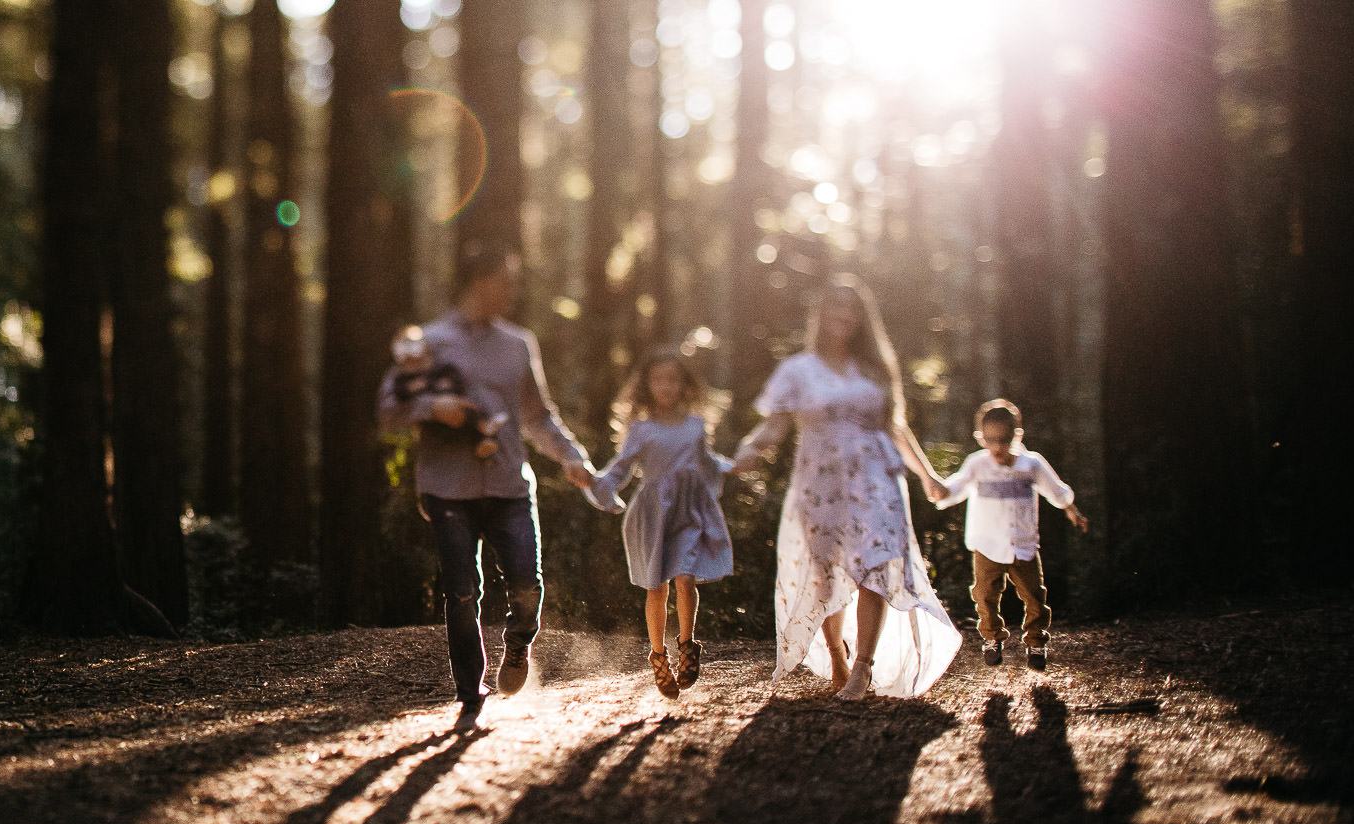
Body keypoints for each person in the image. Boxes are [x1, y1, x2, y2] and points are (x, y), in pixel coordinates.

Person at [378, 244, 596, 730]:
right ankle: (470, 693)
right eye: (508, 280)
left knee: (526, 581)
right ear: (481, 282)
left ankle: (518, 643)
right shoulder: (428, 341)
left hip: (509, 482)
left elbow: (539, 416)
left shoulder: (519, 343)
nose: (514, 291)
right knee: (461, 592)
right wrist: (432, 409)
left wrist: (573, 458)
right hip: (446, 486)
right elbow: (389, 409)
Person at [731, 275, 962, 701]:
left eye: (851, 308)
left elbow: (895, 427)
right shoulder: (798, 370)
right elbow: (774, 425)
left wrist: (928, 475)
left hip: (877, 479)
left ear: (861, 318)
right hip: (821, 484)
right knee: (825, 575)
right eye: (835, 305)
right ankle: (837, 653)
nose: (843, 314)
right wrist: (745, 453)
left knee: (876, 564)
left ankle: (862, 668)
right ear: (821, 314)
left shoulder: (874, 369)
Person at [587, 346, 735, 700]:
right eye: (659, 380)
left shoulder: (696, 425)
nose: (666, 387)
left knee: (685, 577)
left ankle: (687, 646)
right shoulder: (641, 429)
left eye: (673, 380)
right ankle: (658, 657)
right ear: (647, 385)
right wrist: (596, 485)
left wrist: (732, 467)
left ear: (685, 385)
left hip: (688, 510)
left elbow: (709, 463)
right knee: (657, 586)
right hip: (652, 513)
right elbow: (620, 469)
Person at [935, 398, 1087, 670]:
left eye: (1003, 439)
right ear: (980, 438)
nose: (997, 447)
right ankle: (992, 638)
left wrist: (1071, 509)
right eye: (990, 440)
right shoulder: (977, 464)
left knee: (1034, 595)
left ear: (1017, 436)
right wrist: (943, 492)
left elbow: (1056, 490)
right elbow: (956, 486)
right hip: (987, 543)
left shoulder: (1032, 464)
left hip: (1023, 544)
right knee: (984, 594)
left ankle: (1036, 642)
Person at [389, 325, 508, 460]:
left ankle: (485, 436)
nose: (414, 365)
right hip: (435, 425)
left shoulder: (439, 370)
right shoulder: (404, 378)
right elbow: (396, 398)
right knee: (456, 427)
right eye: (408, 363)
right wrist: (425, 400)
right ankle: (483, 437)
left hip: (459, 405)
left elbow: (454, 378)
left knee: (472, 412)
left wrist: (448, 385)